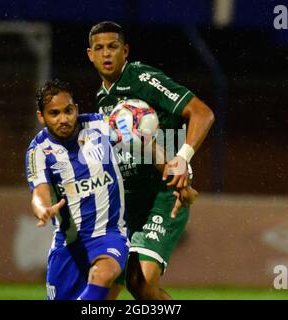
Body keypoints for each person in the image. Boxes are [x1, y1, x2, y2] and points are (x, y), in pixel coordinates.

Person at [87, 21, 215, 300]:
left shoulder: (141, 79)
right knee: (103, 285)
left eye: (113, 47)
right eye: (100, 48)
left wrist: (182, 159)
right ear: (90, 55)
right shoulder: (101, 99)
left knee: (141, 283)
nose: (106, 54)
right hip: (125, 202)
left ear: (126, 51)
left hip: (161, 194)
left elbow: (202, 113)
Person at [25, 79, 130, 300]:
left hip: (109, 234)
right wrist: (42, 208)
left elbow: (140, 136)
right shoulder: (38, 151)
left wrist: (174, 166)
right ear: (41, 117)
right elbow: (39, 191)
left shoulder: (100, 126)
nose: (63, 119)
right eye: (54, 113)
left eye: (68, 111)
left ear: (76, 109)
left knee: (104, 274)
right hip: (68, 243)